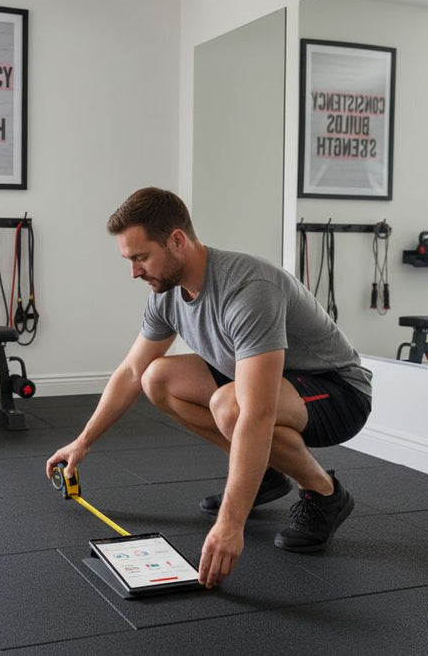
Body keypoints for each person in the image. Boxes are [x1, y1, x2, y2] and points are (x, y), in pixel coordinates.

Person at [45, 187, 372, 589]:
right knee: (156, 378)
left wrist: (230, 524)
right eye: (129, 260)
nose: (134, 272)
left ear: (177, 240)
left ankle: (324, 494)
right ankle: (264, 474)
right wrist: (82, 442)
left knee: (230, 405)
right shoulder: (166, 295)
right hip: (263, 387)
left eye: (140, 257)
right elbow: (132, 371)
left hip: (337, 391)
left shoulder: (248, 288)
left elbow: (257, 412)